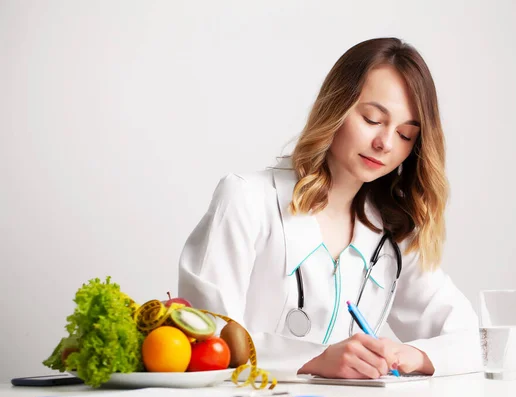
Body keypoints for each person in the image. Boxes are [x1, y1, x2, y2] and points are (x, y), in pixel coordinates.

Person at [178, 37, 482, 379]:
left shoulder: (391, 233)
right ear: (335, 107)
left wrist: (408, 353)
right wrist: (312, 360)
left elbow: (473, 341)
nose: (385, 143)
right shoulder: (247, 199)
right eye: (371, 119)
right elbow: (205, 338)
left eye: (406, 135)